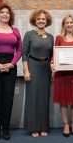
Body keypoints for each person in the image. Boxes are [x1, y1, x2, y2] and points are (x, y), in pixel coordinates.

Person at [52, 14, 73, 137]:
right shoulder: (59, 38)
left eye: (71, 22)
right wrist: (52, 63)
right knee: (63, 100)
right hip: (62, 75)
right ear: (63, 25)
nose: (69, 24)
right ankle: (66, 124)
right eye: (66, 23)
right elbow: (54, 55)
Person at [22, 9, 53, 137]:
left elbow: (52, 56)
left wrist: (52, 72)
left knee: (44, 99)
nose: (41, 21)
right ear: (34, 20)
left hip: (46, 69)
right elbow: (24, 54)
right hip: (33, 67)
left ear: (47, 21)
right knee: (33, 98)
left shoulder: (51, 37)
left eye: (43, 19)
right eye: (39, 19)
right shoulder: (29, 34)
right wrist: (26, 71)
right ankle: (34, 127)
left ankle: (43, 127)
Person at [0, 3, 22, 140]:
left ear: (10, 16)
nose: (5, 14)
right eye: (2, 12)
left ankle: (5, 129)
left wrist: (12, 64)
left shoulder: (15, 31)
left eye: (7, 12)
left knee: (8, 99)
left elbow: (19, 50)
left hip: (10, 66)